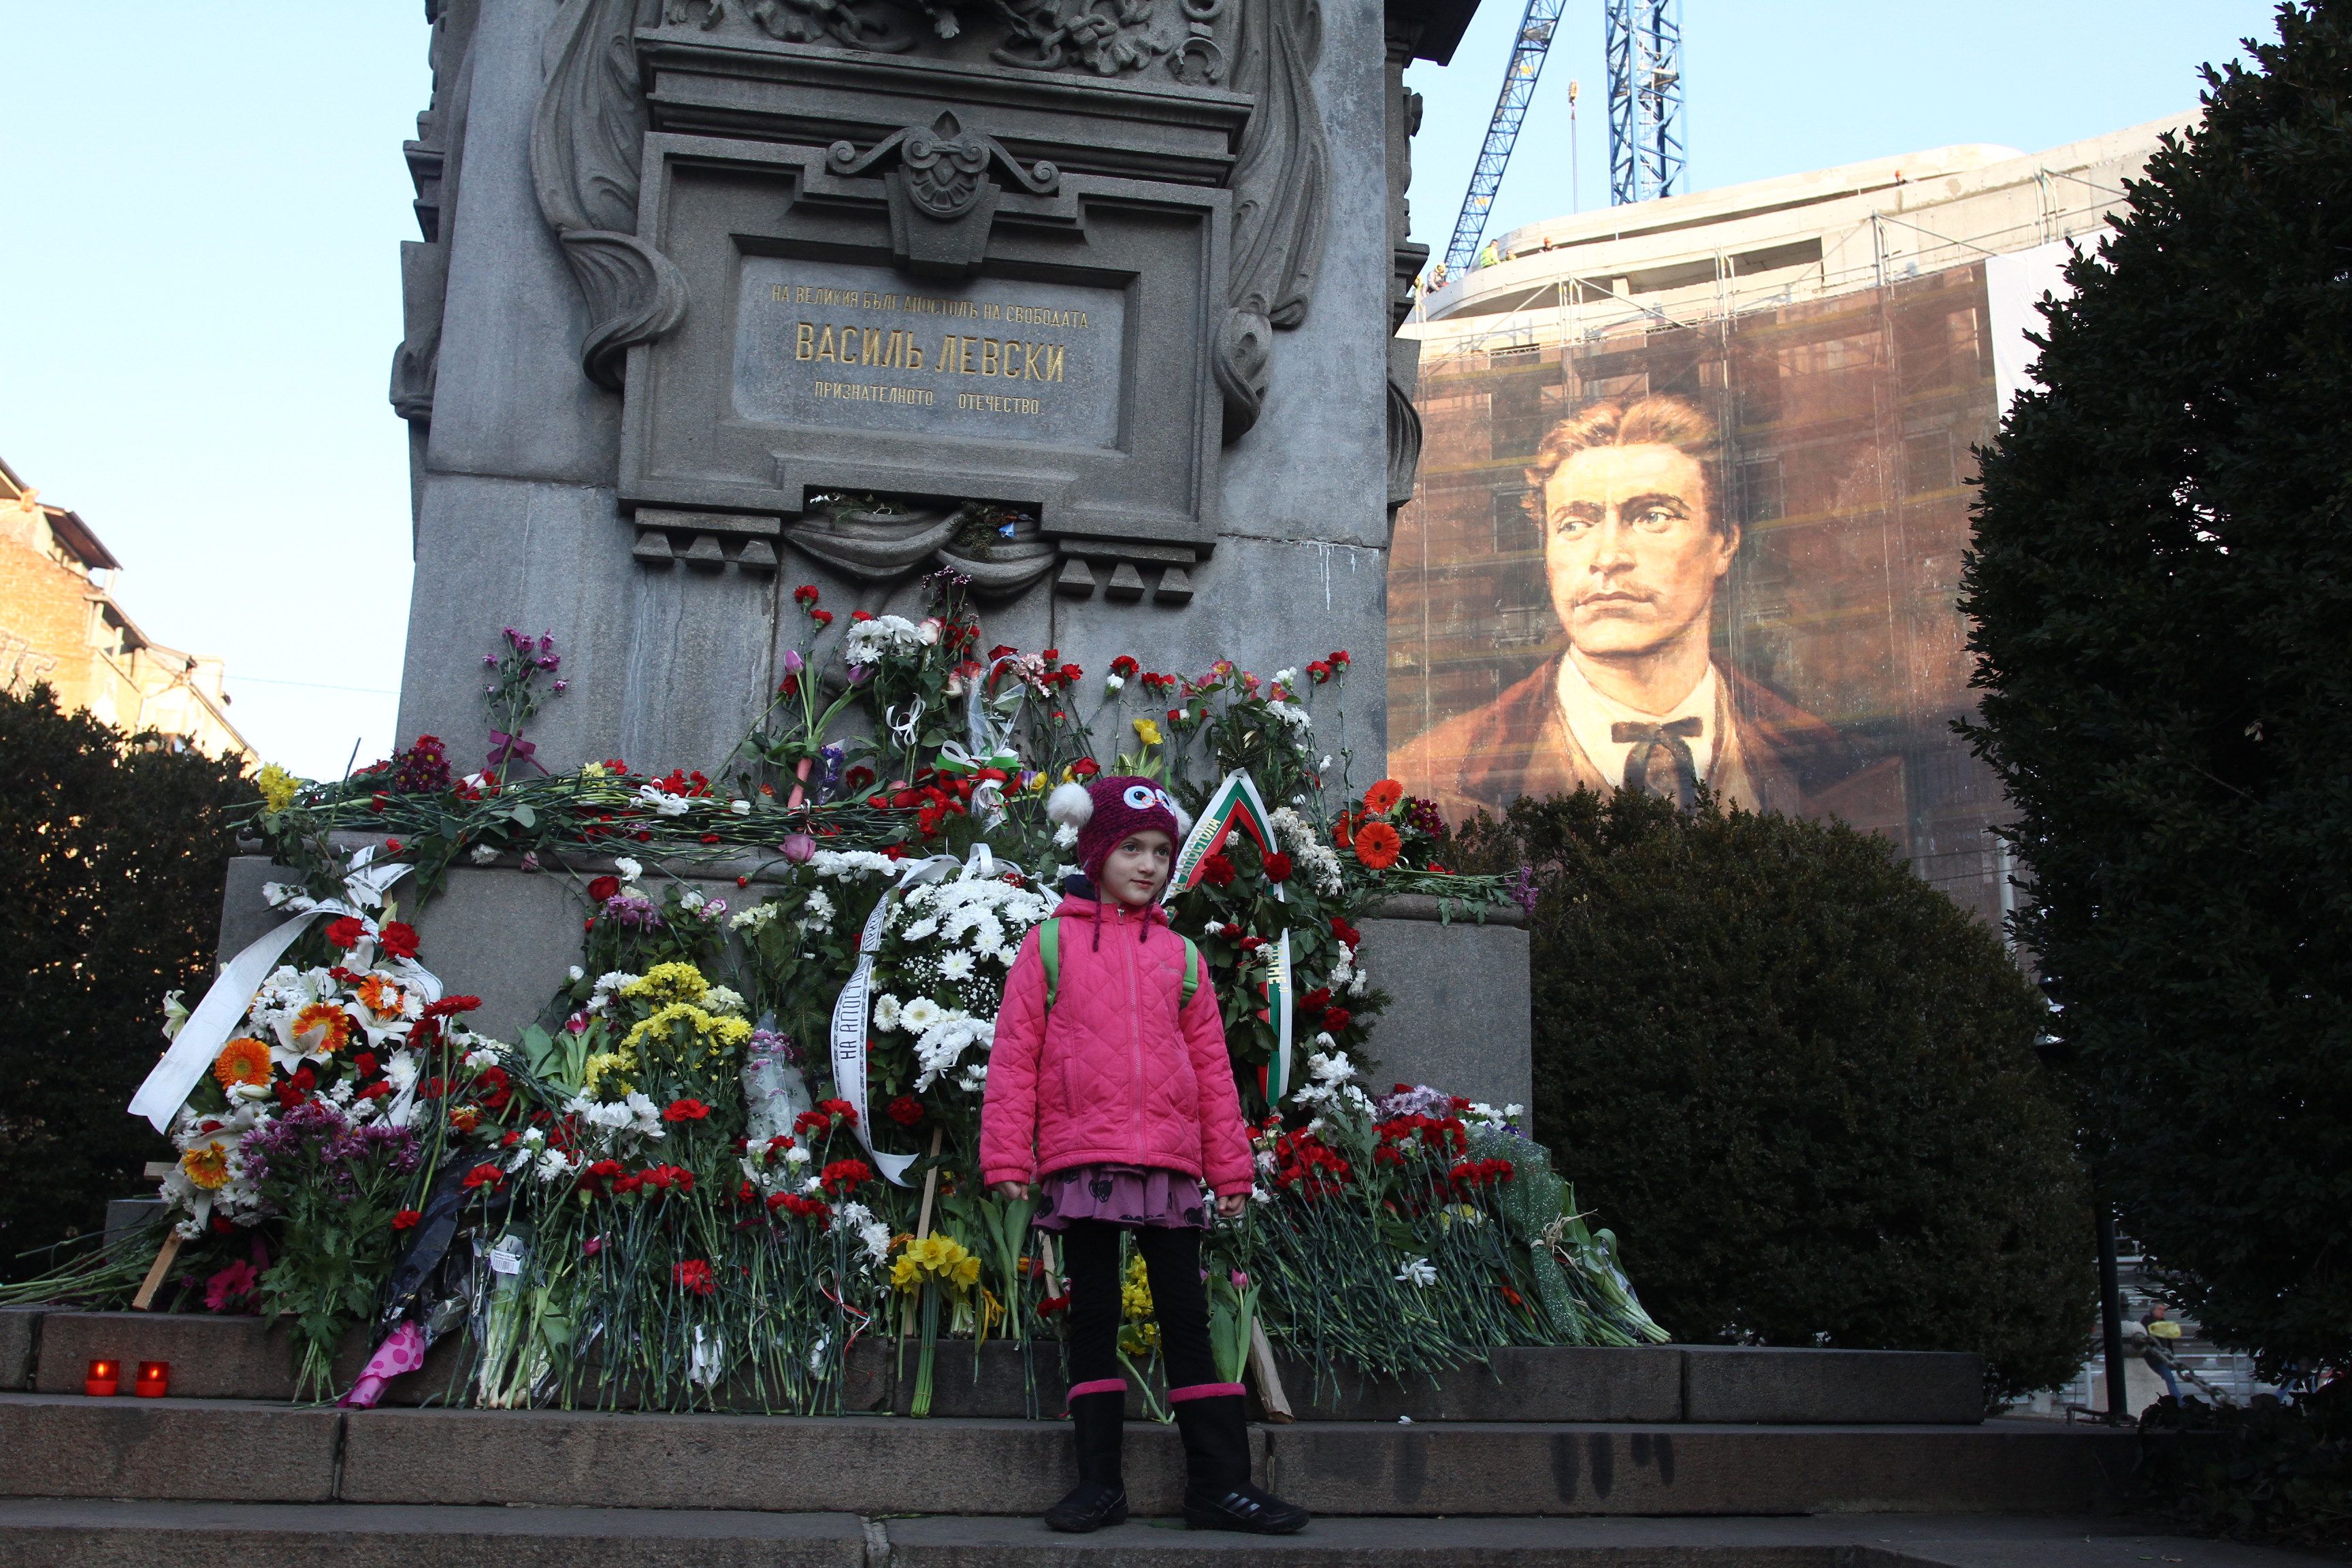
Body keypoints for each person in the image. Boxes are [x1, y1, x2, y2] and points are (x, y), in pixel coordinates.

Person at [979, 773, 1309, 1536]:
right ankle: (1100, 1485)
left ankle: (1219, 1486)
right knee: (1093, 1314)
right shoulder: (1051, 944)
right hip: (1085, 1159)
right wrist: (1007, 1157)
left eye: (1161, 850)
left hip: (1167, 1162)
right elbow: (1015, 1056)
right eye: (1133, 848)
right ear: (1097, 852)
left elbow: (1213, 1072)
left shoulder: (1181, 956)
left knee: (1186, 1315)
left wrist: (1230, 1167)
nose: (1149, 864)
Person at [1391, 394, 1880, 823]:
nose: (1608, 558)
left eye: (1652, 516)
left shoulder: (1822, 755)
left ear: (1724, 542)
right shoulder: (1434, 772)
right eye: (1574, 525)